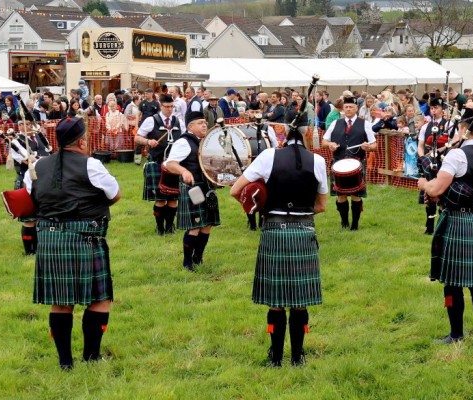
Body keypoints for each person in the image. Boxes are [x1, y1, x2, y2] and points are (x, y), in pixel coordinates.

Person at [230, 120, 329, 367]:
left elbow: (235, 191)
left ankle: (275, 358)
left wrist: (261, 205)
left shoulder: (267, 156)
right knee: (300, 301)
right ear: (308, 133)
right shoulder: (318, 161)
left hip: (274, 231)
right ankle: (298, 357)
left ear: (284, 132)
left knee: (276, 302)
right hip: (304, 232)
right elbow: (321, 206)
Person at [25, 117, 121, 370]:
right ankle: (91, 356)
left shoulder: (37, 166)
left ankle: (65, 362)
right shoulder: (91, 164)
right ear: (81, 141)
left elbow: (30, 197)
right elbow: (115, 194)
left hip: (50, 238)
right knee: (99, 299)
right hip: (85, 238)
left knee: (60, 302)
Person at [418, 113, 473, 343]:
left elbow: (436, 189)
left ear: (465, 130)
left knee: (452, 282)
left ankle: (456, 334)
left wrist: (424, 184)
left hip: (456, 221)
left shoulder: (457, 155)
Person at [164, 111, 220, 271]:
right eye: (200, 123)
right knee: (195, 225)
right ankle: (187, 262)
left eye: (205, 123)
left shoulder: (205, 141)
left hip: (208, 188)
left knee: (208, 224)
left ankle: (198, 257)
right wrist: (184, 171)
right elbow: (170, 163)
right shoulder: (184, 142)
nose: (204, 125)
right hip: (193, 189)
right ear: (190, 126)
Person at [321, 97, 377, 230]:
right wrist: (330, 144)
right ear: (343, 108)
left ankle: (355, 225)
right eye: (346, 107)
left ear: (356, 108)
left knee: (356, 195)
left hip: (357, 163)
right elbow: (324, 142)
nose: (348, 109)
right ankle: (344, 223)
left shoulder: (365, 124)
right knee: (340, 195)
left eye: (351, 107)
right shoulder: (335, 123)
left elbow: (374, 145)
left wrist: (367, 147)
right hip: (338, 163)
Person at [136, 94, 183, 235]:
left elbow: (185, 138)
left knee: (173, 198)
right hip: (157, 163)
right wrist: (148, 142)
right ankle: (160, 229)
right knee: (160, 199)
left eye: (172, 107)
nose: (170, 109)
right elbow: (137, 137)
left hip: (174, 165)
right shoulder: (151, 120)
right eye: (167, 107)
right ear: (161, 106)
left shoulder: (178, 121)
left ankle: (169, 228)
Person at [9, 121, 51, 255]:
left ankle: (39, 248)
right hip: (25, 181)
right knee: (28, 219)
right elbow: (26, 161)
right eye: (23, 124)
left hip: (42, 180)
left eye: (28, 123)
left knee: (40, 217)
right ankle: (29, 251)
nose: (26, 126)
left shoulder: (40, 137)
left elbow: (49, 154)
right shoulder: (16, 142)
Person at [417, 97, 453, 235]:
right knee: (428, 196)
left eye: (436, 108)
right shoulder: (425, 126)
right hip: (428, 164)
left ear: (442, 109)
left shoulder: (449, 125)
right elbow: (420, 145)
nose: (433, 111)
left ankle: (441, 228)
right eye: (431, 108)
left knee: (442, 197)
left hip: (444, 164)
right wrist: (423, 159)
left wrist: (440, 150)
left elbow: (454, 142)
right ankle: (429, 227)